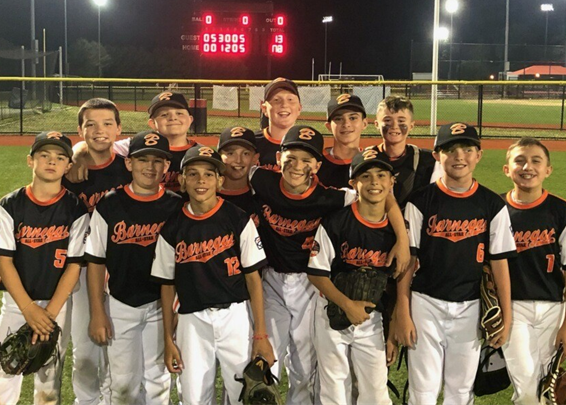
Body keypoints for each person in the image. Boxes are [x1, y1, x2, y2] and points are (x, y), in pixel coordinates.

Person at [247, 124, 411, 405]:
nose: (297, 166)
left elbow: (382, 196)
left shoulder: (333, 198)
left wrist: (403, 239)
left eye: (307, 159)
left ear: (317, 166)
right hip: (271, 280)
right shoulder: (259, 179)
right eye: (291, 158)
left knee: (304, 366)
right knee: (265, 361)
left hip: (309, 284)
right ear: (278, 158)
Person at [390, 123, 517, 405]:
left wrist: (507, 317)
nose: (459, 156)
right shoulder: (420, 200)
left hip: (470, 306)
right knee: (423, 391)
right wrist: (403, 311)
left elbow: (500, 264)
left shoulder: (492, 204)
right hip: (425, 304)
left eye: (467, 149)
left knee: (461, 391)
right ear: (437, 156)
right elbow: (407, 262)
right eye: (450, 149)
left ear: (479, 155)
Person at [151, 145, 275, 404]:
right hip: (191, 320)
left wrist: (261, 335)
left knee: (246, 393)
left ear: (219, 181)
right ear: (182, 181)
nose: (201, 181)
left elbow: (253, 279)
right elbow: (167, 285)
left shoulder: (237, 219)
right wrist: (168, 338)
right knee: (193, 397)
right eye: (193, 174)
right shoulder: (172, 228)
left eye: (209, 174)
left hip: (235, 316)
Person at [0, 131, 89, 405]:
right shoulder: (10, 204)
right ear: (30, 160)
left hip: (58, 305)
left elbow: (74, 266)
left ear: (68, 166)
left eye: (60, 157)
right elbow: (4, 261)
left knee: (49, 379)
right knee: (3, 372)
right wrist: (29, 308)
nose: (52, 162)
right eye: (44, 155)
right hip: (17, 303)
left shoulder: (76, 208)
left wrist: (49, 315)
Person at [84, 130, 183, 404]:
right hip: (120, 304)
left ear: (166, 166)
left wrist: (176, 310)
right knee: (123, 384)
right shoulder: (110, 203)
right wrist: (97, 312)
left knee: (158, 380)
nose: (150, 167)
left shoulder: (176, 206)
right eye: (142, 160)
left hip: (162, 305)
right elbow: (95, 260)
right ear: (128, 163)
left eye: (157, 160)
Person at [499, 138, 566, 405]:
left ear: (547, 170)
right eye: (519, 161)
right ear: (507, 169)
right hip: (513, 308)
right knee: (527, 388)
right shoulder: (496, 209)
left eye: (536, 161)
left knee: (548, 388)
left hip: (553, 309)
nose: (527, 167)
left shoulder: (562, 210)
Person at [307, 146, 399, 405]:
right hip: (332, 311)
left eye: (381, 176)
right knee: (334, 388)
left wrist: (392, 329)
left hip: (372, 317)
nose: (374, 182)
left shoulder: (397, 231)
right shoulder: (336, 222)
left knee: (376, 392)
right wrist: (347, 305)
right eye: (365, 176)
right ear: (353, 183)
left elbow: (397, 284)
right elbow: (316, 272)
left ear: (392, 182)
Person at [63, 99, 130, 405]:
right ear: (80, 130)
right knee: (85, 350)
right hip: (81, 269)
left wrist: (78, 151)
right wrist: (77, 153)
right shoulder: (69, 172)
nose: (99, 130)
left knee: (122, 351)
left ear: (119, 129)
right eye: (90, 125)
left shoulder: (130, 167)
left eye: (107, 124)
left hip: (124, 267)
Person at [69, 91, 197, 193]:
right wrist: (76, 156)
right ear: (152, 123)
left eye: (179, 113)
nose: (173, 118)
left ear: (191, 119)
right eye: (164, 115)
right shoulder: (137, 145)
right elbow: (99, 144)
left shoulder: (198, 152)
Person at [373, 96, 440, 207]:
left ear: (411, 125)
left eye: (401, 121)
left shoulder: (428, 161)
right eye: (387, 120)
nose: (394, 126)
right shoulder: (366, 159)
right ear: (376, 124)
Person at [317, 94, 367, 189]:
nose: (346, 124)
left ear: (364, 123)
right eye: (338, 119)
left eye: (353, 118)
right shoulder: (316, 162)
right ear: (328, 126)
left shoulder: (371, 162)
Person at [253, 78, 302, 168]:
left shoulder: (307, 146)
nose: (284, 105)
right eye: (276, 100)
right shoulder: (251, 143)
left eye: (290, 99)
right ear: (264, 108)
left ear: (299, 108)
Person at [217, 126, 261, 217]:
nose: (238, 160)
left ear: (255, 158)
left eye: (245, 154)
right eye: (230, 153)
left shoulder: (262, 196)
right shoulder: (205, 193)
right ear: (219, 157)